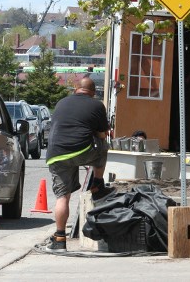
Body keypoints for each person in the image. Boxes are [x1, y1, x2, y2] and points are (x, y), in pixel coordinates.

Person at [44, 77, 116, 252]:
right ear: (93, 92)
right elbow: (102, 135)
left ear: (75, 89)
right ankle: (97, 184)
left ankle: (60, 238)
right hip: (82, 151)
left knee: (62, 197)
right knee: (103, 146)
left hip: (56, 155)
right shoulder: (97, 105)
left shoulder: (61, 103)